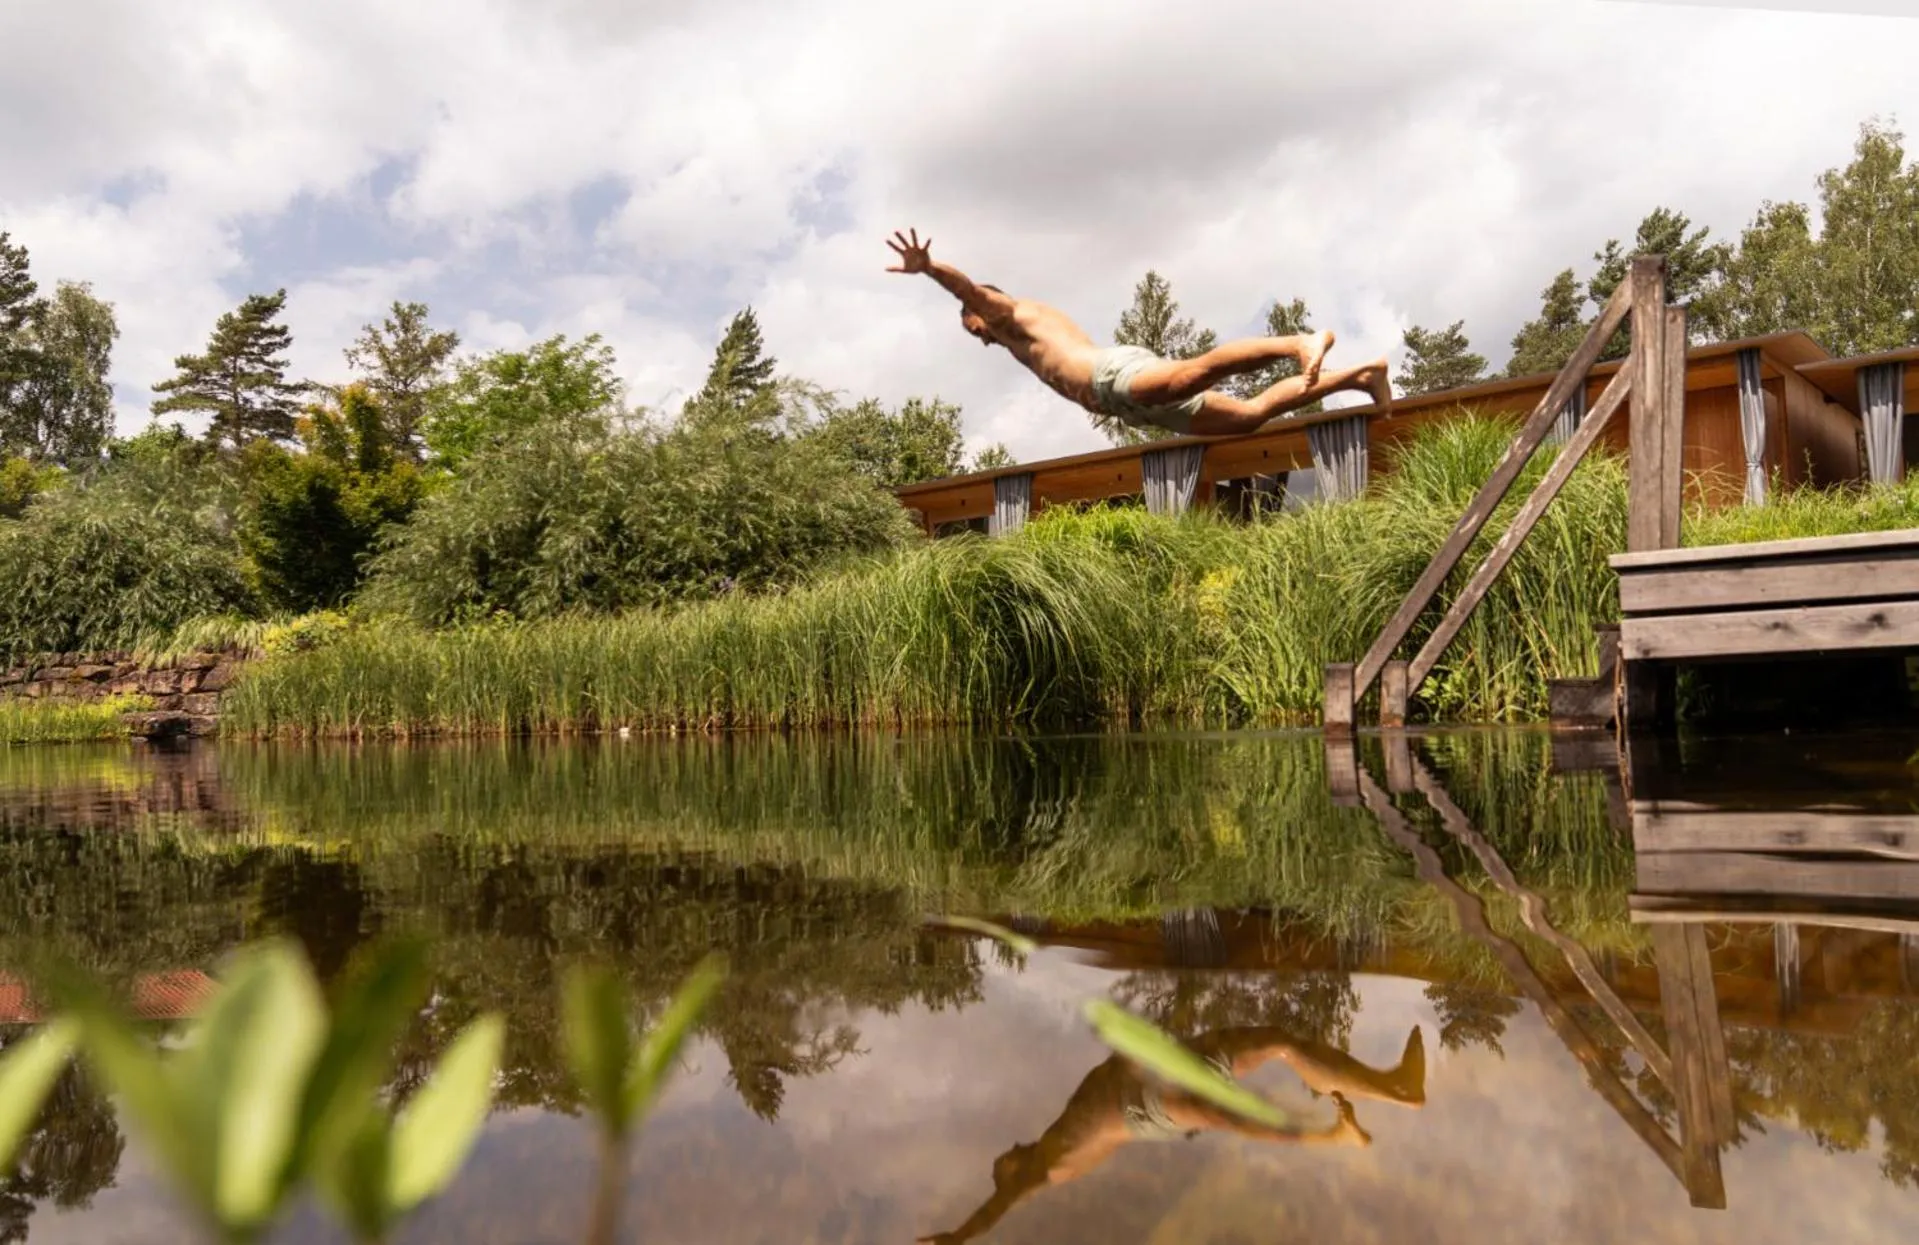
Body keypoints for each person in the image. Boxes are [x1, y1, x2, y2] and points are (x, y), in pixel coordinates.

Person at [914, 1023, 1425, 1245]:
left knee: (1278, 1044)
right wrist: (960, 1235)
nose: (1008, 1149)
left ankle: (1383, 1094)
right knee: (1269, 1063)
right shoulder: (1045, 1166)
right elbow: (1002, 1202)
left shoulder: (1057, 1152)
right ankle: (1363, 1116)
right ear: (1014, 1170)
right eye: (1005, 1160)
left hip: (1159, 1081)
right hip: (1152, 1098)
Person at [885, 228, 1394, 439]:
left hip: (1113, 376)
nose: (979, 337)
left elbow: (970, 290)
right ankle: (1360, 375)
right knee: (1246, 419)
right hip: (1125, 403)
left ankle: (1297, 343)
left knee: (1187, 377)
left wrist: (930, 269)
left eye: (973, 329)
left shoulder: (1008, 313)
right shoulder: (1010, 336)